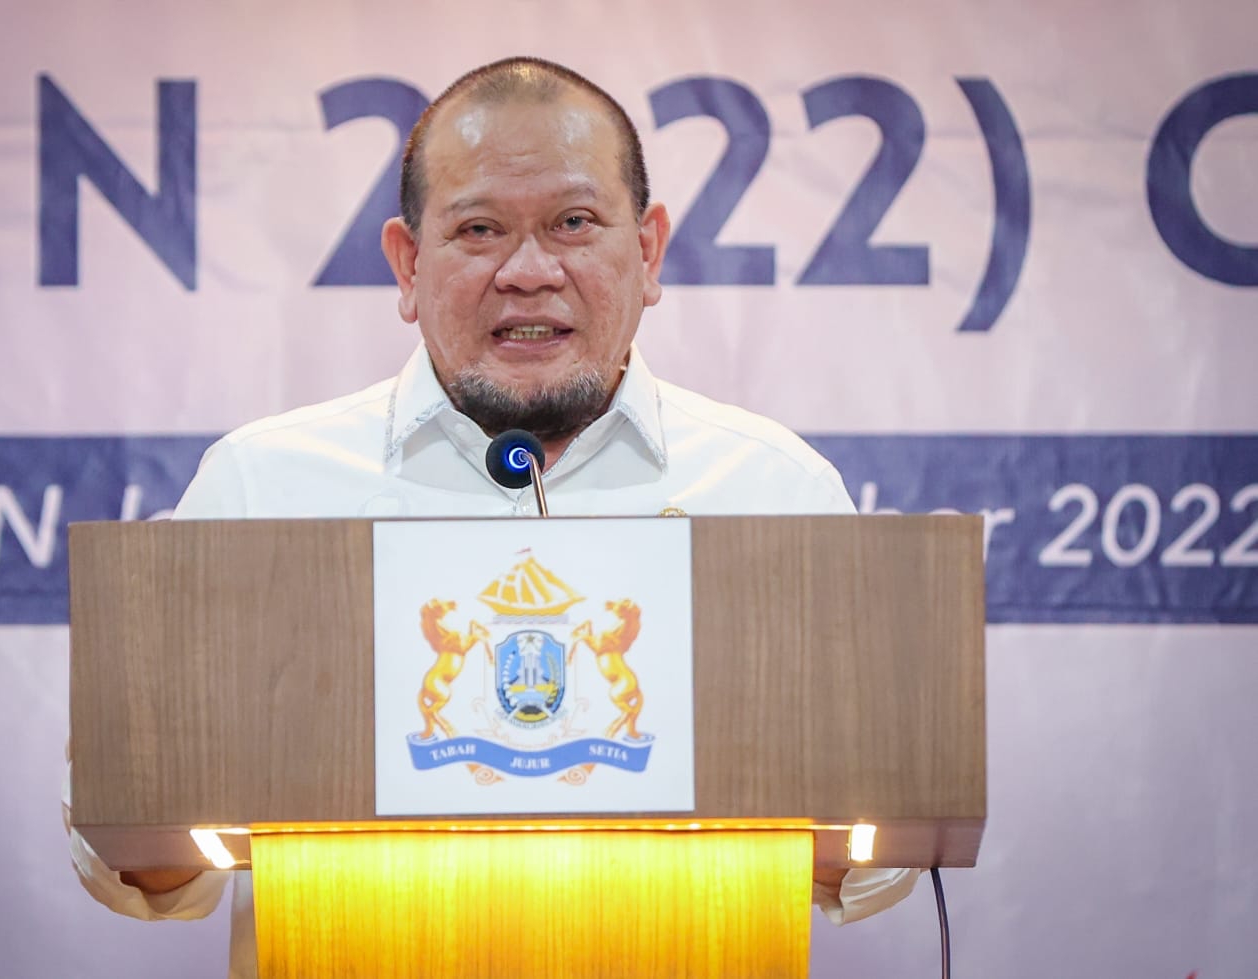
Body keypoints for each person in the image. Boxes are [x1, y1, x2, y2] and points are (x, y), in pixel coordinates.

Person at [66, 56, 920, 978]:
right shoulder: (264, 486)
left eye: (573, 223)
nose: (529, 272)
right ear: (407, 263)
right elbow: (133, 865)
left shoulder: (771, 489)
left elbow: (872, 864)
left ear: (648, 251)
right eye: (479, 230)